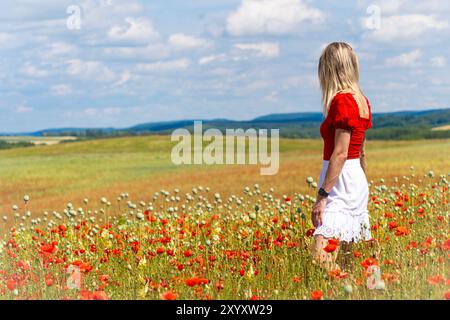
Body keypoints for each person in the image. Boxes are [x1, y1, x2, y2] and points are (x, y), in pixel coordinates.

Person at [312, 42, 373, 272]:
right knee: (348, 260)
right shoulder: (361, 100)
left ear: (330, 69)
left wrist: (322, 196)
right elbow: (361, 151)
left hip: (341, 183)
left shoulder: (342, 101)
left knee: (321, 259)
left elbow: (340, 152)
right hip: (355, 178)